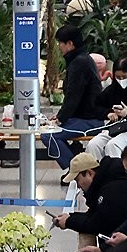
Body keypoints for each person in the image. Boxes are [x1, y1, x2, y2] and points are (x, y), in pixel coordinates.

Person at [42, 25, 103, 170]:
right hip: (82, 118)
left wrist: (60, 119)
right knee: (50, 132)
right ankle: (75, 165)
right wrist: (60, 116)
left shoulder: (79, 63)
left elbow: (73, 96)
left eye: (60, 43)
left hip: (89, 121)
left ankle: (76, 170)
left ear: (70, 44)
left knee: (48, 135)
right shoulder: (81, 59)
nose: (59, 46)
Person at [53, 153, 127, 238]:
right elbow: (95, 215)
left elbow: (99, 224)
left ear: (89, 173)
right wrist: (69, 217)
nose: (78, 186)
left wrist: (69, 222)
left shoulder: (112, 189)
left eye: (77, 180)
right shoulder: (104, 182)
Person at [85, 58, 127, 161]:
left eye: (125, 77)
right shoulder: (113, 89)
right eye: (118, 77)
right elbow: (95, 106)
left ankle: (117, 175)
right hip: (115, 129)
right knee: (93, 145)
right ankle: (97, 175)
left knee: (113, 145)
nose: (121, 80)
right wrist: (108, 113)